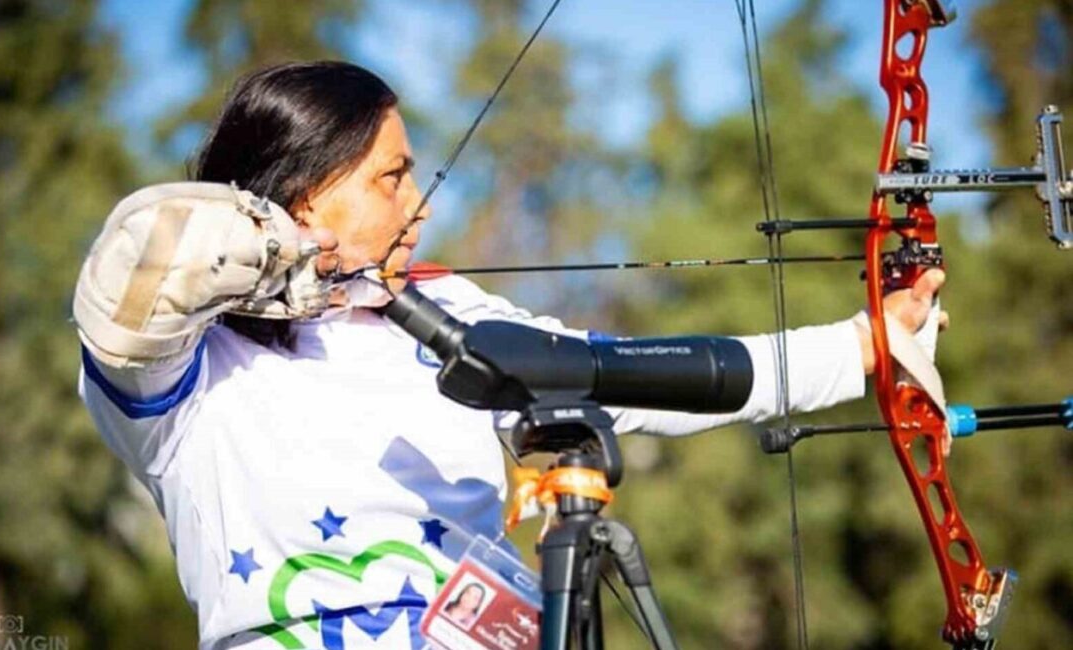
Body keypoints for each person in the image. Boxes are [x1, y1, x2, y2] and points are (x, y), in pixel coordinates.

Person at [72, 61, 947, 650]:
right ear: (302, 198)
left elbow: (641, 377)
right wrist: (287, 259)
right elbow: (138, 270)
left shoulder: (445, 312)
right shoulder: (189, 363)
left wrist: (866, 346)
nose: (420, 205)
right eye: (391, 177)